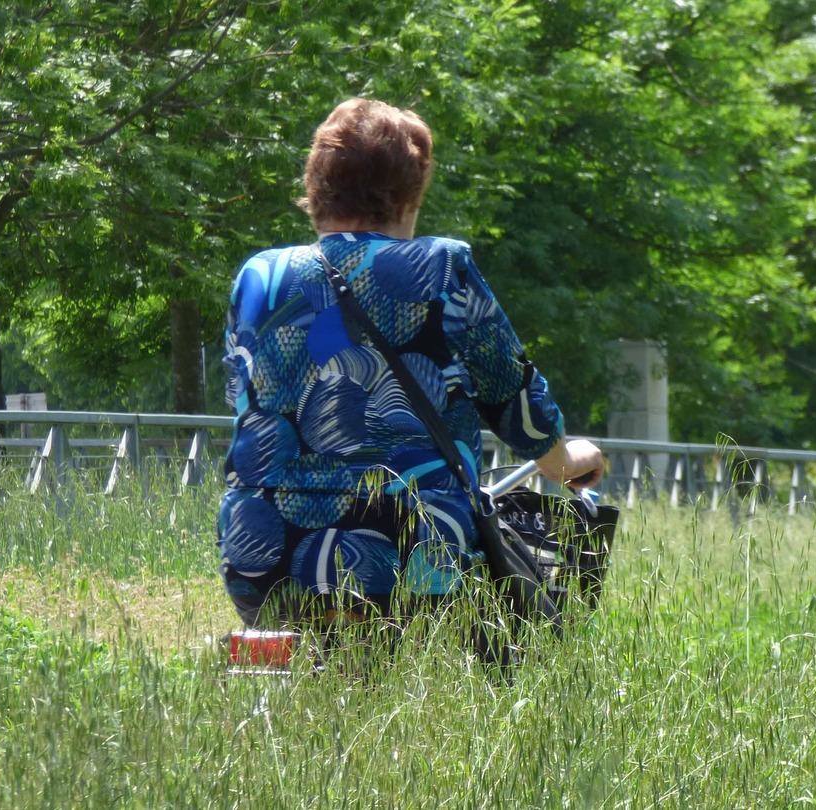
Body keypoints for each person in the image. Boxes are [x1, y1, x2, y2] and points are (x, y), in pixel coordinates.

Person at [217, 98, 604, 626]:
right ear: (408, 195)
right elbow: (513, 400)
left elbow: (247, 402)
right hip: (410, 554)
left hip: (259, 552)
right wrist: (567, 459)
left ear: (315, 187)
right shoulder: (439, 265)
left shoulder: (258, 275)